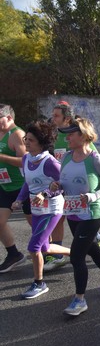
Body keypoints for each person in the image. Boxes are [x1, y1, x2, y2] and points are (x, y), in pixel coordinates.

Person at [52, 117, 100, 316]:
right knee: (90, 247)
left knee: (76, 256)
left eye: (71, 135)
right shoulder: (65, 157)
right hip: (73, 213)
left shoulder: (96, 159)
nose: (67, 139)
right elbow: (62, 181)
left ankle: (79, 300)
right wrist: (55, 186)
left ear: (83, 136)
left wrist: (94, 195)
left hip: (91, 214)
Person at [12, 121, 71, 298]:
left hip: (52, 209)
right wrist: (19, 199)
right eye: (25, 139)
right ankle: (79, 252)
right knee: (44, 247)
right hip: (37, 209)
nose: (26, 142)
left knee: (34, 247)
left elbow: (63, 185)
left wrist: (45, 194)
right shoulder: (26, 158)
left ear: (41, 142)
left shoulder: (50, 162)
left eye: (30, 140)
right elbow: (27, 183)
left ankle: (39, 283)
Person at [47, 101, 100, 271]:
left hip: (79, 189)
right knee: (58, 219)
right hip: (61, 184)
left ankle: (98, 236)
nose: (53, 118)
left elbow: (94, 159)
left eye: (56, 115)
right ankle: (57, 255)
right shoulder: (56, 135)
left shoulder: (79, 134)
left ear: (66, 118)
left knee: (74, 223)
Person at [0, 104, 29, 273]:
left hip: (22, 187)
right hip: (4, 186)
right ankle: (14, 254)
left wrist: (2, 157)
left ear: (9, 118)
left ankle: (50, 253)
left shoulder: (17, 134)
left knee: (36, 225)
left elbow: (25, 160)